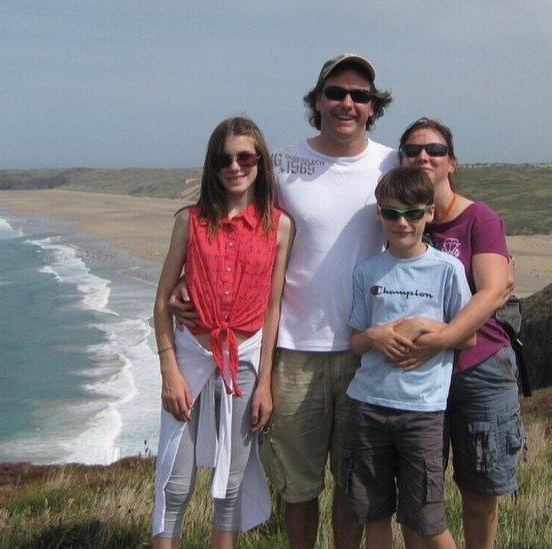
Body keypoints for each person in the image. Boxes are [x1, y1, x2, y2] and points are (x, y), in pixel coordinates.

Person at [170, 52, 396, 549]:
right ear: (317, 100)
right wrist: (187, 284)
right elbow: (232, 227)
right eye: (336, 92)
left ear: (374, 107)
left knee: (355, 485)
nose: (347, 103)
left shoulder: (391, 162)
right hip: (292, 352)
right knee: (299, 488)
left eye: (360, 95)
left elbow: (432, 217)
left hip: (366, 351)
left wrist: (494, 260)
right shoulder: (283, 164)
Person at [150, 116, 294, 549]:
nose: (235, 166)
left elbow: (273, 308)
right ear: (212, 166)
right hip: (191, 356)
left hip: (245, 361)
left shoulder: (279, 226)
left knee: (230, 483)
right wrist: (169, 372)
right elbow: (161, 304)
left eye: (245, 156)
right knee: (174, 481)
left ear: (260, 162)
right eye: (224, 158)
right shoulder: (189, 221)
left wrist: (265, 382)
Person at [397, 118, 523, 549]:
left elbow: (492, 293)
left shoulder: (479, 219)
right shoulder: (400, 218)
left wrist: (444, 338)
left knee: (480, 490)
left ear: (452, 161)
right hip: (419, 375)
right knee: (418, 493)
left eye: (434, 150)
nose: (423, 157)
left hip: (479, 367)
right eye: (413, 150)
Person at [346, 167, 475, 549]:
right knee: (373, 514)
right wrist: (374, 336)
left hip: (423, 410)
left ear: (429, 214)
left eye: (413, 214)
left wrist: (424, 326)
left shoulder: (448, 270)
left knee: (427, 518)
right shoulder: (366, 271)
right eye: (391, 213)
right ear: (379, 214)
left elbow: (467, 338)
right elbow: (355, 341)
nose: (402, 223)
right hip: (368, 405)